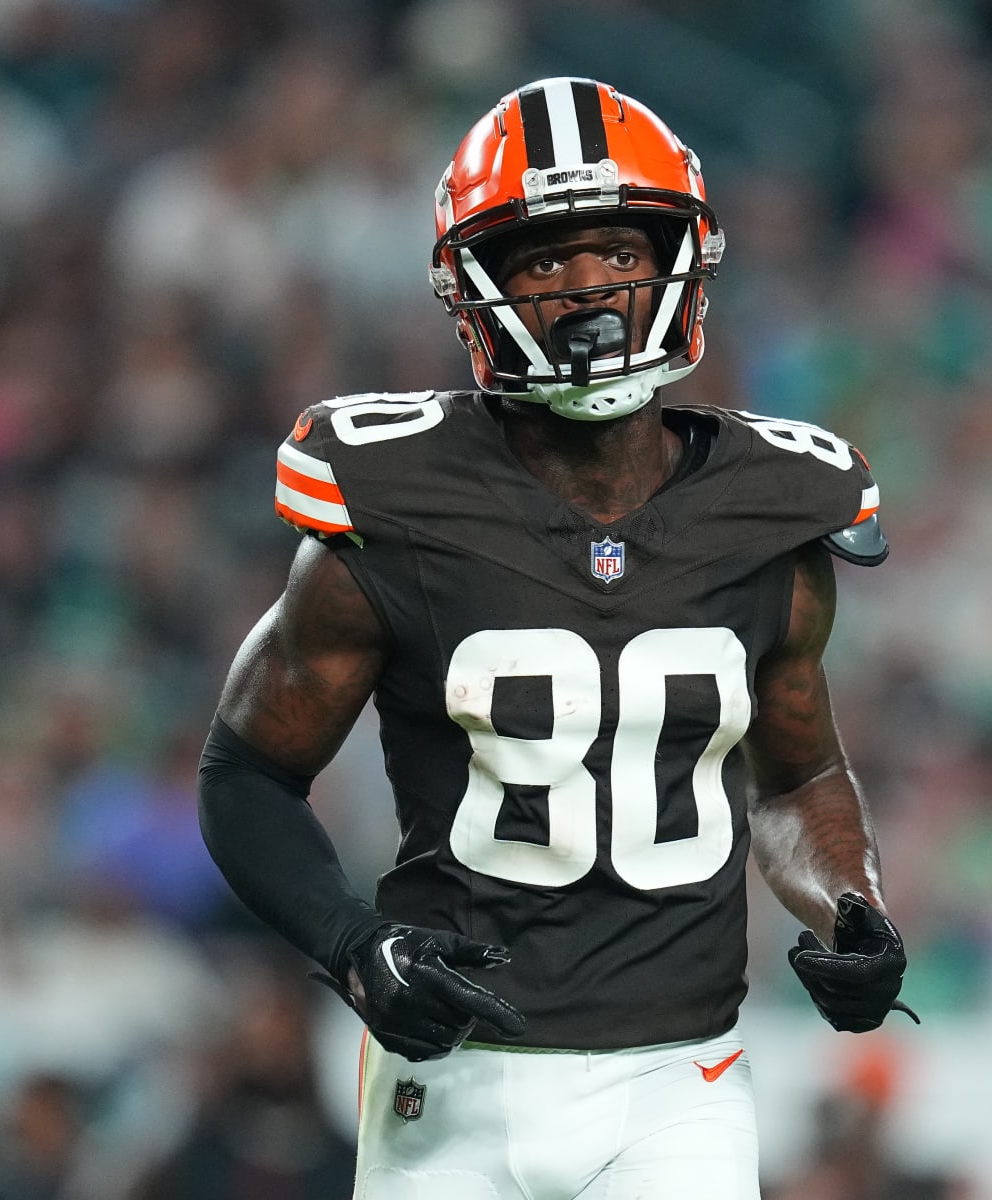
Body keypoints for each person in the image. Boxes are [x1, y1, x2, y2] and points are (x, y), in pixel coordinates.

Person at [197, 76, 916, 1200]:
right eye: (543, 260)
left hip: (679, 1079)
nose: (589, 288)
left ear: (680, 259)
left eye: (619, 254)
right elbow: (246, 773)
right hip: (450, 1080)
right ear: (478, 284)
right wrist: (353, 944)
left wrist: (850, 901)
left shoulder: (779, 507)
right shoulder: (392, 501)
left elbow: (798, 776)